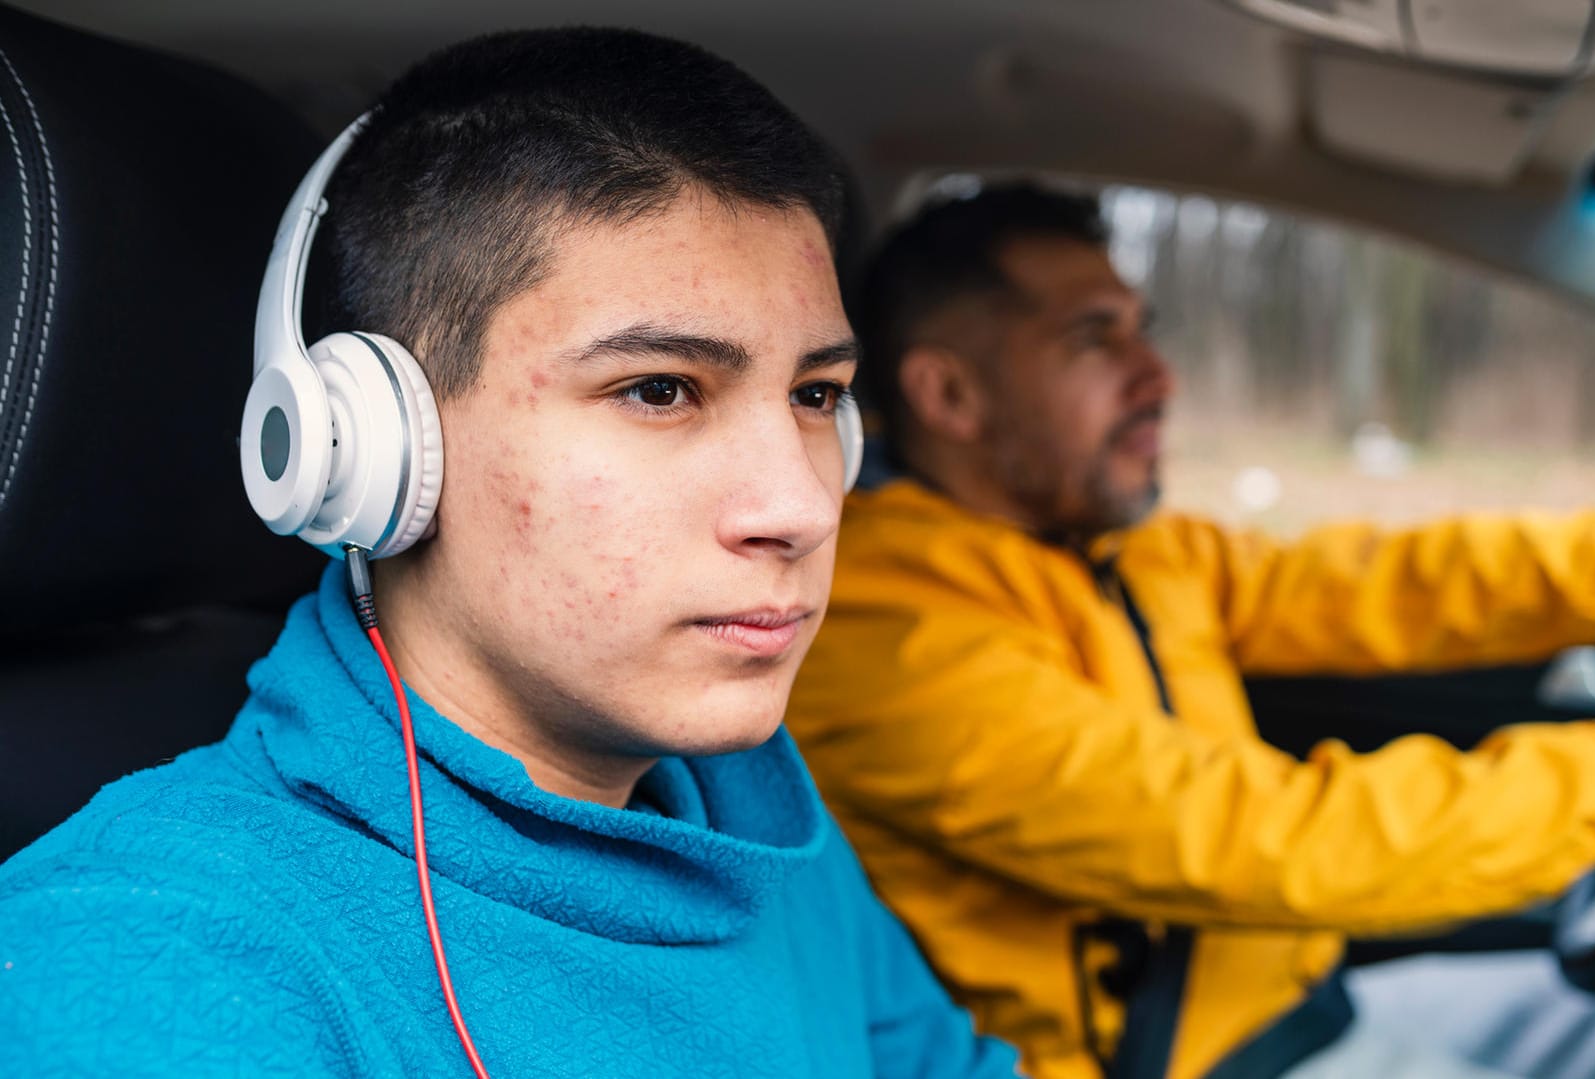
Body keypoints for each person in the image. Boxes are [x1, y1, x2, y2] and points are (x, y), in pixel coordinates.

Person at [0, 30, 1017, 1078]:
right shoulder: (151, 965)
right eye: (659, 388)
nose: (800, 505)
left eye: (816, 396)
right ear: (375, 446)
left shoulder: (752, 816)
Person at [785, 182, 1595, 1079]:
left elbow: (1389, 584)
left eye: (1145, 329)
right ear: (950, 396)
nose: (1158, 373)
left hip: (1292, 1010)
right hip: (1171, 1063)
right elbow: (1263, 838)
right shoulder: (884, 632)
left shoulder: (1113, 550)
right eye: (1095, 339)